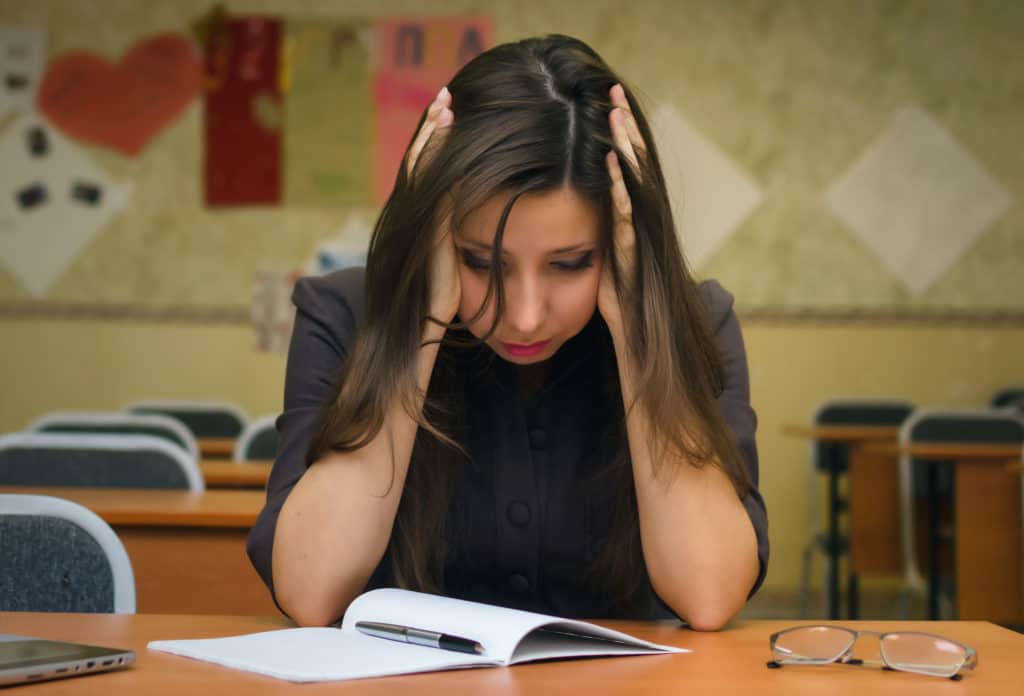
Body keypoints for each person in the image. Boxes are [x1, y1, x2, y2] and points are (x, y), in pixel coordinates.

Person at [247, 34, 768, 630]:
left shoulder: (696, 324)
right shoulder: (343, 314)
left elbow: (709, 596)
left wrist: (639, 327)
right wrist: (417, 319)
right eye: (480, 262)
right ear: (436, 238)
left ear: (623, 241)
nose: (523, 316)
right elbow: (310, 594)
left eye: (570, 263)